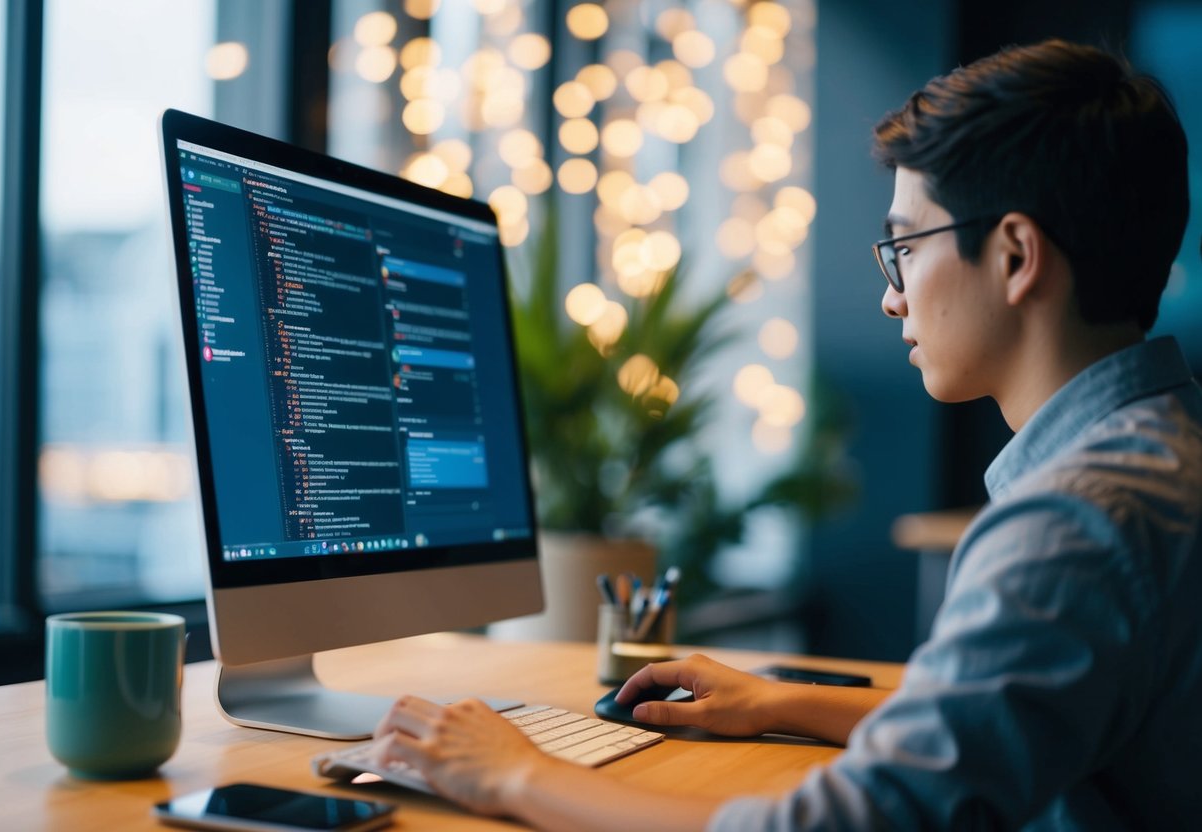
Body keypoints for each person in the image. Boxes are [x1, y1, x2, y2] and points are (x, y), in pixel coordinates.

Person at [371, 39, 1202, 830]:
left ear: (1017, 256)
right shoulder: (1163, 450)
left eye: (904, 248)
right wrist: (784, 701)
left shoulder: (1078, 521)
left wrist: (512, 774)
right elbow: (1011, 717)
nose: (891, 297)